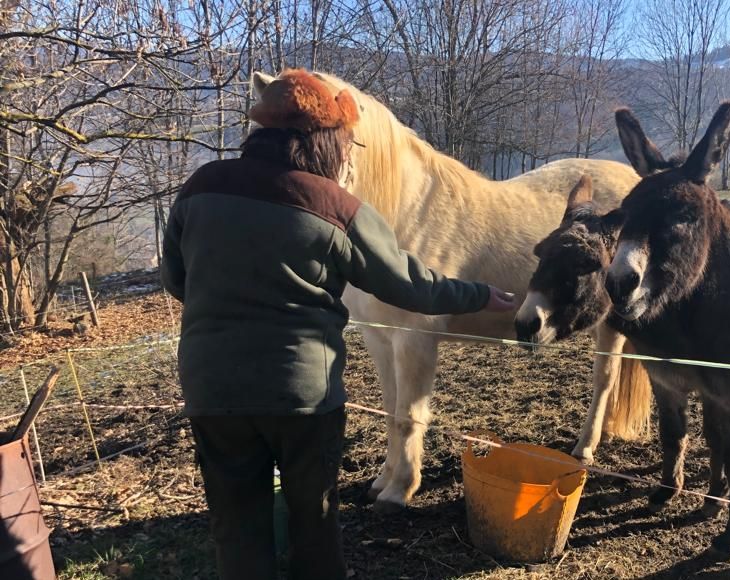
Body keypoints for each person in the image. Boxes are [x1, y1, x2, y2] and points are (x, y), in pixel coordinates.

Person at [160, 68, 516, 580]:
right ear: (325, 140)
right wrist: (480, 293)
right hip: (301, 394)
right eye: (347, 143)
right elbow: (409, 286)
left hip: (211, 389)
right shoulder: (336, 207)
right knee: (314, 519)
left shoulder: (200, 187)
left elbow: (177, 279)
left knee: (236, 524)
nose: (349, 155)